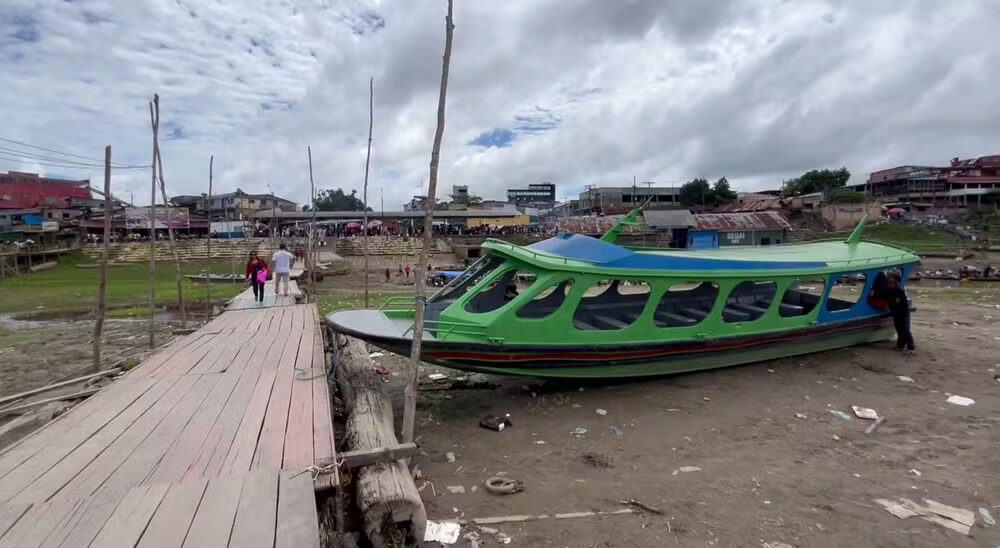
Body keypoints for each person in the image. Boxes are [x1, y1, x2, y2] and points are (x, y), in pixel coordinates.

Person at [885, 272, 914, 352]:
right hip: (897, 313)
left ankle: (910, 347)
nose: (889, 283)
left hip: (902, 313)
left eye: (891, 282)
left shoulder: (899, 291)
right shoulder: (891, 291)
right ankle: (900, 345)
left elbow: (897, 303)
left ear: (896, 282)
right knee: (899, 330)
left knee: (904, 330)